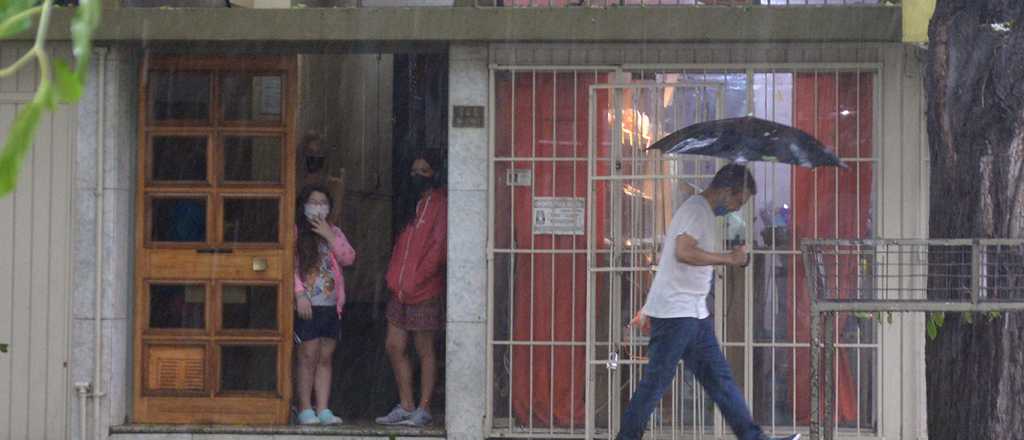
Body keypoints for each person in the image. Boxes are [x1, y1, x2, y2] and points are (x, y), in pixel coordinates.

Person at [617, 164, 799, 440]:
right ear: (726, 191)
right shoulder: (696, 211)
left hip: (692, 313)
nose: (737, 208)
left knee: (720, 382)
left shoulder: (700, 211)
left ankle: (754, 437)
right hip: (677, 314)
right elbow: (683, 252)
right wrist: (729, 259)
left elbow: (672, 263)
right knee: (655, 384)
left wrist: (649, 306)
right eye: (739, 201)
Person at [376, 151, 448, 427]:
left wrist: (417, 278)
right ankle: (406, 404)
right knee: (394, 345)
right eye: (414, 171)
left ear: (435, 173)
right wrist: (394, 277)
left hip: (424, 290)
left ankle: (424, 407)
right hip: (399, 289)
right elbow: (400, 246)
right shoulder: (410, 204)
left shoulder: (440, 205)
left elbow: (437, 250)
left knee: (424, 349)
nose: (417, 176)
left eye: (424, 171)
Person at [293, 185, 356, 425]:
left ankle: (323, 408)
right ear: (304, 206)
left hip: (331, 306)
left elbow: (348, 258)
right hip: (307, 305)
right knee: (308, 355)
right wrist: (299, 294)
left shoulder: (335, 231)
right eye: (313, 202)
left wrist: (330, 236)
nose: (318, 207)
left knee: (325, 357)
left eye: (323, 203)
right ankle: (305, 407)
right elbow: (289, 266)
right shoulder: (296, 231)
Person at [298, 131, 345, 226]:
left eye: (319, 153)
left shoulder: (335, 185)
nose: (314, 157)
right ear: (303, 155)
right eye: (310, 152)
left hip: (324, 232)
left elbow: (333, 218)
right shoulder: (295, 182)